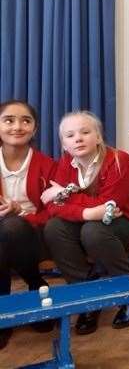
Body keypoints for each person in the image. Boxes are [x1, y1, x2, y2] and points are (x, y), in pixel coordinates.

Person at [42, 111, 129, 335]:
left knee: (93, 231)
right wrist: (88, 212)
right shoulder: (65, 163)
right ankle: (87, 297)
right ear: (64, 144)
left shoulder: (120, 161)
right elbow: (53, 207)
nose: (78, 138)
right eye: (70, 135)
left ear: (99, 137)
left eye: (86, 132)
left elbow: (109, 207)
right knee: (54, 228)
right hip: (91, 222)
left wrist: (64, 194)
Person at [0, 100, 56, 349]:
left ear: (34, 129)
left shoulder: (48, 165)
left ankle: (27, 287)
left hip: (36, 237)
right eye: (9, 120)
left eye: (26, 120)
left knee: (12, 226)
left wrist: (21, 212)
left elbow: (55, 212)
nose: (17, 126)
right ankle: (32, 288)